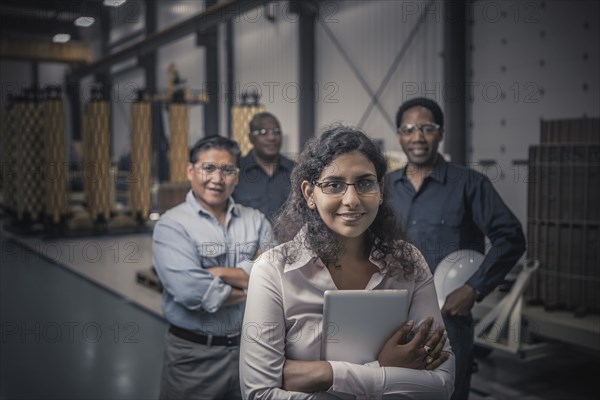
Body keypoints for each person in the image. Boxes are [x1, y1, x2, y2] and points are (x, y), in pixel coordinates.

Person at [240, 126, 455, 399]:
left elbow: (442, 384)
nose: (352, 200)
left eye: (365, 183)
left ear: (380, 189)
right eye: (334, 185)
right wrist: (385, 371)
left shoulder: (408, 262)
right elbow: (260, 395)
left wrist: (325, 374)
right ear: (309, 194)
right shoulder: (274, 270)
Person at [385, 97, 526, 400]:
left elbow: (511, 237)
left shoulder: (469, 184)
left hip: (446, 318)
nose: (417, 137)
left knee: (448, 393)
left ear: (440, 133)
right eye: (409, 129)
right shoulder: (385, 188)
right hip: (391, 315)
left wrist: (474, 288)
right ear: (399, 135)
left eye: (426, 128)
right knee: (394, 391)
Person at [152, 135, 274, 400]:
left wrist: (217, 274)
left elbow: (275, 277)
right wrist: (252, 282)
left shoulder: (256, 220)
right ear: (190, 170)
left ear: (237, 175)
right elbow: (191, 291)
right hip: (194, 358)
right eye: (208, 168)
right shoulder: (172, 226)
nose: (217, 179)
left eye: (227, 170)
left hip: (251, 352)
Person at [233, 112, 295, 222]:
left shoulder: (295, 170)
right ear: (251, 138)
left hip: (289, 239)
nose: (271, 137)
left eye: (276, 132)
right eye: (263, 132)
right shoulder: (236, 171)